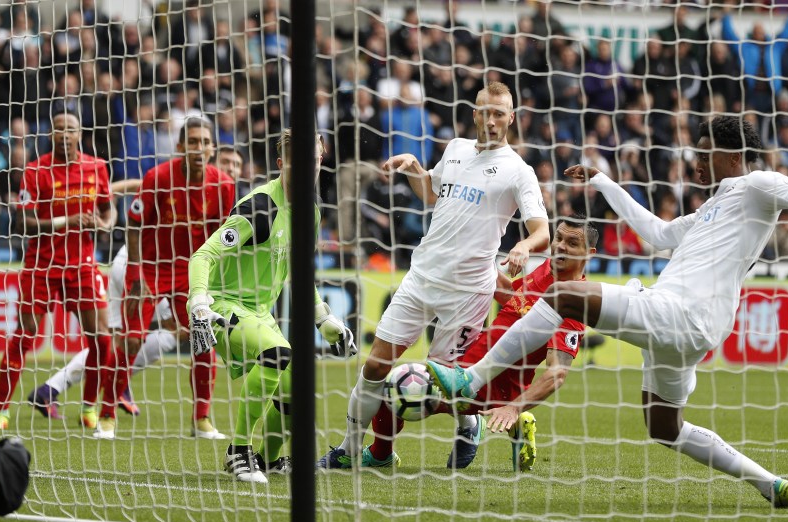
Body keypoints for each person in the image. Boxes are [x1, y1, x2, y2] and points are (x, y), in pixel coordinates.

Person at [429, 116, 788, 508]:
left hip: (679, 312)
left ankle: (472, 375)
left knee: (563, 295)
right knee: (665, 427)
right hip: (686, 330)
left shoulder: (756, 184)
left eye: (704, 154)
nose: (695, 162)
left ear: (732, 155)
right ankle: (770, 484)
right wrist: (605, 182)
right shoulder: (713, 207)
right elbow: (658, 233)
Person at [317, 81, 550, 469]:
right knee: (375, 365)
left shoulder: (518, 171)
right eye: (484, 112)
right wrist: (413, 168)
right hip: (422, 278)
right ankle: (348, 450)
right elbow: (431, 193)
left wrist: (524, 247)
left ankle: (468, 425)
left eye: (499, 114)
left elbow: (543, 230)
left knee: (449, 382)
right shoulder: (456, 149)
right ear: (474, 113)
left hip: (468, 292)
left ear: (511, 118)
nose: (491, 121)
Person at [362, 217, 598, 470]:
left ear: (589, 254)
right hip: (470, 358)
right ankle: (497, 425)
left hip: (489, 384)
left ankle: (380, 455)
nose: (561, 246)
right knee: (395, 382)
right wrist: (477, 259)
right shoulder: (546, 269)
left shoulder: (572, 302)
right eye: (559, 238)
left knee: (393, 390)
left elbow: (557, 374)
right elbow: (511, 296)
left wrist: (513, 407)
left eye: (572, 243)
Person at [187, 129, 355, 483]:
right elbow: (204, 254)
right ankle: (239, 451)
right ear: (282, 163)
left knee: (297, 388)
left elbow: (299, 274)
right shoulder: (260, 207)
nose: (308, 167)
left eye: (314, 159)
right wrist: (198, 299)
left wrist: (324, 320)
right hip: (225, 306)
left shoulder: (309, 212)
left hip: (260, 314)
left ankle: (270, 458)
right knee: (278, 354)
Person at [27, 151, 244, 419]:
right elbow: (130, 192)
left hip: (164, 270)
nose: (231, 168)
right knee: (170, 332)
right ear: (211, 159)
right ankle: (114, 387)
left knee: (129, 339)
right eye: (226, 162)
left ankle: (56, 389)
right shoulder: (175, 180)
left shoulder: (222, 192)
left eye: (237, 164)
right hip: (139, 266)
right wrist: (103, 199)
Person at [92, 116, 236, 440]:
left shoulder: (224, 185)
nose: (199, 148)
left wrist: (215, 281)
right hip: (152, 268)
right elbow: (134, 225)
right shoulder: (157, 177)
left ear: (212, 148)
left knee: (203, 342)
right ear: (181, 146)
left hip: (192, 273)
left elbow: (221, 235)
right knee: (131, 339)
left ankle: (201, 419)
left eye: (205, 142)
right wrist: (135, 274)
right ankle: (106, 415)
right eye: (193, 142)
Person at [0, 113, 117, 430]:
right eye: (59, 129)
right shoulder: (35, 170)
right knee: (25, 334)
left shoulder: (96, 167)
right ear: (51, 134)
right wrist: (66, 222)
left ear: (79, 133)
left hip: (82, 264)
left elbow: (107, 207)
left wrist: (104, 223)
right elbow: (23, 224)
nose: (64, 135)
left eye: (70, 129)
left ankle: (88, 408)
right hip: (41, 265)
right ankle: (1, 412)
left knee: (101, 338)